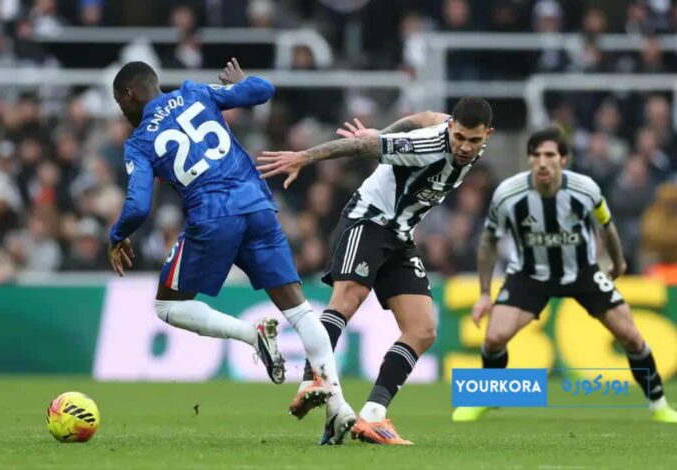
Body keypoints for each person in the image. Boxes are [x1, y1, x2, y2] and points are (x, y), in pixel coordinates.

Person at [107, 59, 357, 444]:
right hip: (257, 206)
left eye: (121, 103)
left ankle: (251, 334)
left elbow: (138, 206)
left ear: (129, 94)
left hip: (212, 216)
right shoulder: (195, 92)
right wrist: (241, 83)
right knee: (300, 310)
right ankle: (338, 408)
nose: (123, 112)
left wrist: (117, 235)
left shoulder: (139, 141)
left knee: (167, 305)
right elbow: (263, 90)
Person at [259, 98, 494, 444]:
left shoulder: (455, 131)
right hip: (368, 219)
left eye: (473, 140)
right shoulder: (427, 144)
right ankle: (313, 378)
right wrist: (305, 157)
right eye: (458, 137)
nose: (464, 147)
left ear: (487, 135)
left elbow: (425, 116)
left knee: (422, 329)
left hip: (399, 235)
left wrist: (383, 133)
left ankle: (372, 416)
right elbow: (359, 148)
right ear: (451, 128)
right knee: (348, 298)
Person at [452, 128, 677, 424]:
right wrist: (484, 293)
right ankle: (487, 397)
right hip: (529, 274)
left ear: (563, 159)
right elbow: (488, 241)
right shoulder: (508, 193)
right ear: (529, 160)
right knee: (494, 338)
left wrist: (618, 262)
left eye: (549, 155)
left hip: (582, 272)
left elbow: (607, 226)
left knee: (632, 337)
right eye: (536, 155)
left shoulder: (585, 189)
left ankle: (659, 404)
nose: (542, 162)